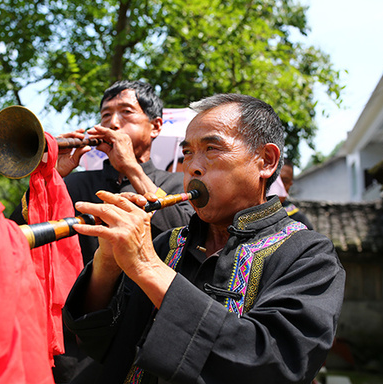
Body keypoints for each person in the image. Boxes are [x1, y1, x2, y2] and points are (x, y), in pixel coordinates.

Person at [62, 93, 345, 383]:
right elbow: (102, 345)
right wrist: (107, 261)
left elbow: (276, 364)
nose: (193, 167)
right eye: (187, 153)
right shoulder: (166, 245)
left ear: (266, 161)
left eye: (212, 148)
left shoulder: (309, 255)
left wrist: (147, 266)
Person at [10, 80, 194, 382]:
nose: (112, 123)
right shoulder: (73, 183)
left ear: (155, 127)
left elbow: (186, 235)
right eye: (105, 115)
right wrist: (49, 180)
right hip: (76, 339)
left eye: (126, 112)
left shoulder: (175, 184)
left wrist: (133, 169)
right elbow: (17, 238)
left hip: (146, 332)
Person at [279, 159, 314, 230]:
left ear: (290, 184)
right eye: (274, 180)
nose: (278, 185)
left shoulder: (299, 220)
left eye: (284, 181)